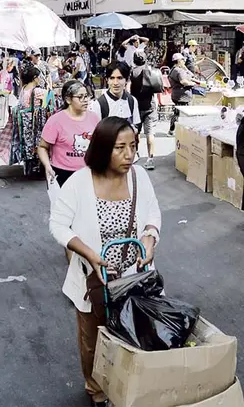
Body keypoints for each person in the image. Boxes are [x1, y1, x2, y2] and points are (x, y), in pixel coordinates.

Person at [49, 116, 162, 407]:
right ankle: (96, 389)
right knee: (93, 341)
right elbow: (59, 225)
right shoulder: (79, 181)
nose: (129, 155)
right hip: (94, 281)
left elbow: (152, 215)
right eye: (119, 148)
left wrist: (149, 239)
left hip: (134, 277)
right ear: (102, 149)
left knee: (135, 335)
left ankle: (129, 387)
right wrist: (88, 253)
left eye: (133, 146)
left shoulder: (139, 177)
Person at [39, 80, 101, 186]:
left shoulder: (94, 118)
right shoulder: (56, 120)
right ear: (68, 99)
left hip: (88, 173)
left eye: (86, 96)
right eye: (80, 97)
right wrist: (47, 166)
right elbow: (42, 147)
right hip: (62, 174)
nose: (85, 100)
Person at [129, 52, 161, 170]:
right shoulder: (151, 70)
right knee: (150, 133)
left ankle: (135, 154)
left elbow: (127, 89)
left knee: (135, 132)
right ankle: (150, 158)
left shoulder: (132, 72)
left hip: (136, 106)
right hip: (150, 106)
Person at [89, 62, 141, 130]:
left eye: (120, 78)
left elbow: (137, 125)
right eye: (112, 78)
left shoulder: (132, 101)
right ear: (107, 80)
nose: (115, 83)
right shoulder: (99, 104)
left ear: (126, 80)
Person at [168, 53, 200, 135]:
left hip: (177, 94)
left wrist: (185, 68)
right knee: (182, 114)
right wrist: (193, 84)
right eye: (182, 59)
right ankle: (182, 132)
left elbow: (191, 75)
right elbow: (183, 81)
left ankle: (172, 130)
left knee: (177, 113)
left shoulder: (175, 69)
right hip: (181, 96)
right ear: (178, 61)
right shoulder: (178, 70)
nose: (184, 61)